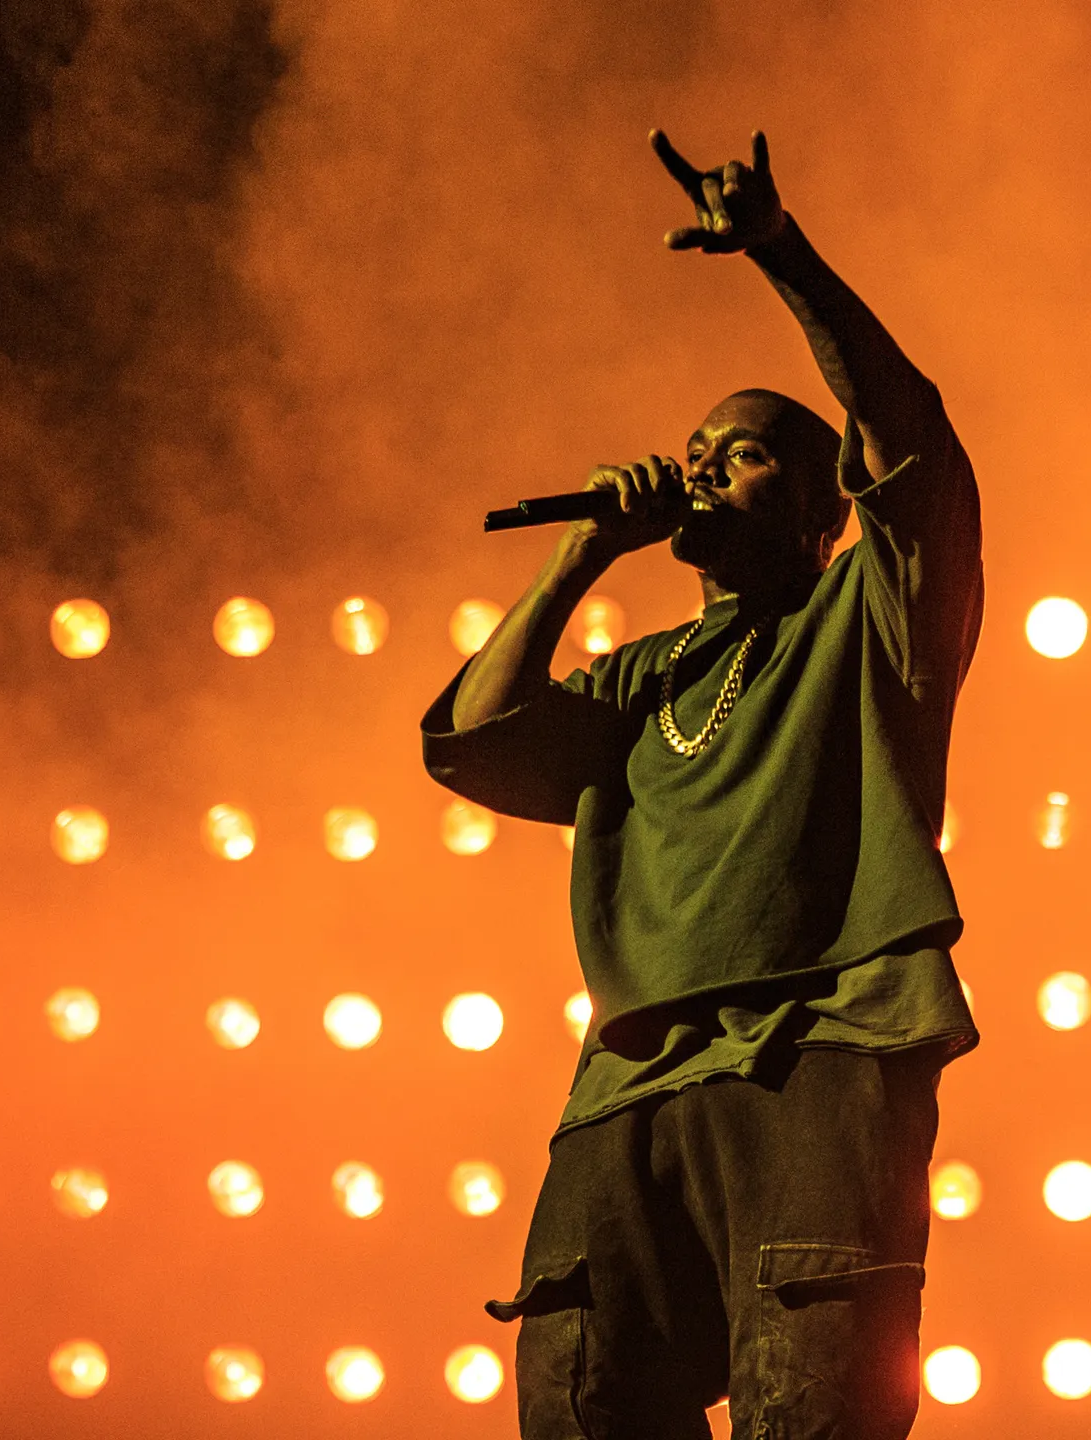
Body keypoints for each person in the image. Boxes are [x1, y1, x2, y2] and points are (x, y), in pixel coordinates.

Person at [420, 128, 983, 1439]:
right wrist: (577, 564)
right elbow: (473, 742)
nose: (705, 466)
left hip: (821, 1055)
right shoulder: (646, 677)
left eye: (745, 452)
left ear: (819, 509)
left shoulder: (872, 616)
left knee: (811, 1402)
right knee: (581, 1399)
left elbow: (912, 436)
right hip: (631, 1082)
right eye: (695, 448)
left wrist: (780, 254)